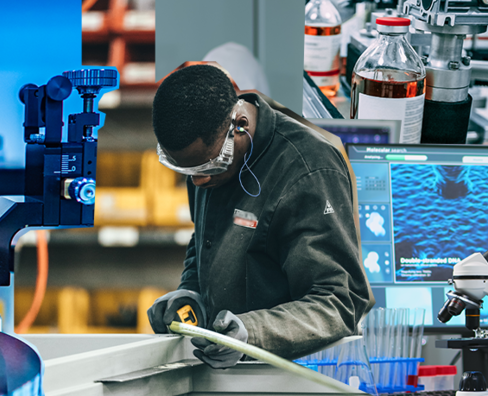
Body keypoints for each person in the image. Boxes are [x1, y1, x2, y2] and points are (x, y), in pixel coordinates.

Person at [146, 64, 372, 369]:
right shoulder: (207, 159)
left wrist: (253, 333)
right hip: (229, 372)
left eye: (209, 168)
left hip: (293, 377)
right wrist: (191, 292)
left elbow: (338, 303)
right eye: (190, 172)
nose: (198, 182)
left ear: (239, 125)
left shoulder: (308, 170)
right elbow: (206, 238)